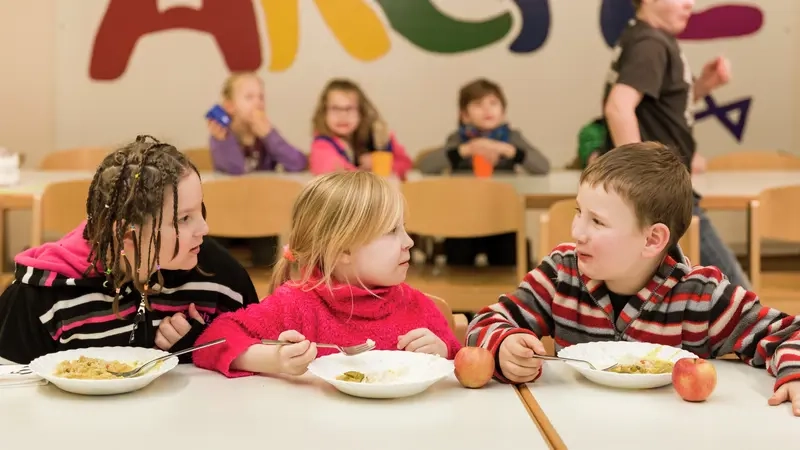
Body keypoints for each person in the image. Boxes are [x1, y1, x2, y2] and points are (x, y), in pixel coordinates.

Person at [467, 142, 800, 416]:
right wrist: (503, 346)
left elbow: (789, 333)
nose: (577, 232)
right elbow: (484, 322)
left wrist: (795, 376)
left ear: (653, 240)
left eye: (597, 221)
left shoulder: (701, 297)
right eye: (578, 213)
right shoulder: (561, 273)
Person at [0, 135, 259, 365]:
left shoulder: (220, 279)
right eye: (184, 219)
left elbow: (259, 354)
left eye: (200, 211)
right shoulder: (42, 296)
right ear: (127, 235)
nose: (204, 228)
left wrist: (201, 345)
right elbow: (11, 391)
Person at [193, 171, 461, 378]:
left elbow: (462, 364)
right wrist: (274, 359)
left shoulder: (417, 307)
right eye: (392, 231)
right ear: (342, 249)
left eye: (404, 228)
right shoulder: (296, 305)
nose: (408, 242)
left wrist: (443, 354)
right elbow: (211, 341)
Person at [601, 0, 748, 288]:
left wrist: (702, 86)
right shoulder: (650, 43)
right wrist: (643, 183)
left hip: (662, 190)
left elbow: (660, 109)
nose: (690, 4)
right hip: (665, 192)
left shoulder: (644, 37)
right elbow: (618, 108)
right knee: (736, 292)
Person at [207, 72, 308, 267]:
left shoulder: (267, 135)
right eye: (249, 97)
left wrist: (270, 135)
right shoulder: (220, 136)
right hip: (227, 213)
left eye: (261, 97)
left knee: (269, 254)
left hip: (262, 214)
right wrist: (224, 141)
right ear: (230, 106)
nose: (258, 103)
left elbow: (297, 163)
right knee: (215, 254)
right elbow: (235, 171)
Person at [417, 78, 549, 175]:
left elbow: (543, 167)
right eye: (478, 104)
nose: (487, 109)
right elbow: (426, 166)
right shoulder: (458, 138)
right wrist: (468, 149)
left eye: (493, 103)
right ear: (465, 115)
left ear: (503, 113)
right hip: (464, 196)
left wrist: (506, 149)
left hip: (502, 197)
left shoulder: (512, 137)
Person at [308, 79, 413, 179]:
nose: (343, 116)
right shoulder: (322, 145)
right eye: (335, 109)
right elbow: (336, 175)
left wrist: (378, 163)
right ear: (323, 112)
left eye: (349, 109)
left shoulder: (377, 135)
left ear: (361, 112)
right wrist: (368, 171)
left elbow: (405, 164)